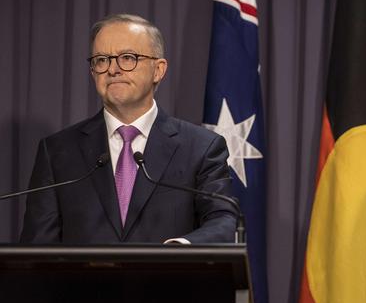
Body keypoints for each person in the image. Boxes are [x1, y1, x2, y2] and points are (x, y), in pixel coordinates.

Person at [20, 14, 237, 244]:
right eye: (102, 60)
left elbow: (223, 221)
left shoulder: (201, 147)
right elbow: (38, 245)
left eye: (127, 57)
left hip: (169, 278)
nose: (113, 69)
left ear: (158, 70)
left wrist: (178, 252)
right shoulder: (57, 152)